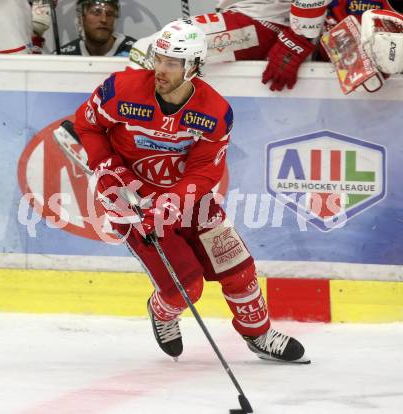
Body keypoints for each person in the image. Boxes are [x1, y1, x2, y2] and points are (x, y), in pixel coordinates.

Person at [75, 20, 309, 363]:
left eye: (172, 63)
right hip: (128, 198)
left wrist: (174, 201)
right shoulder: (120, 90)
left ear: (194, 67)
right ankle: (163, 311)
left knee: (237, 267)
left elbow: (205, 169)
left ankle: (258, 334)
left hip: (186, 198)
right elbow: (87, 125)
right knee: (185, 286)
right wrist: (109, 167)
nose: (161, 69)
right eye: (159, 59)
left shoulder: (214, 112)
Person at [129, 0, 333, 91]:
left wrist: (297, 39)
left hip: (264, 22)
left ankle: (126, 141)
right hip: (248, 17)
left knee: (150, 49)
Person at [59, 0, 136, 56]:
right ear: (81, 18)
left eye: (110, 14)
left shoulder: (136, 52)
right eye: (96, 13)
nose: (104, 19)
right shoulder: (64, 56)